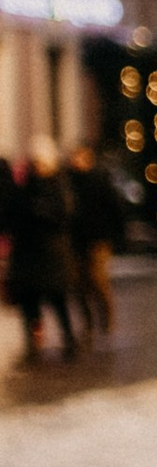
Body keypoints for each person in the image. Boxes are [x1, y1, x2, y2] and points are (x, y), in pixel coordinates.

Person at [6, 143, 78, 363]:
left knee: (58, 300)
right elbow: (13, 215)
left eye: (42, 162)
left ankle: (68, 338)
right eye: (35, 162)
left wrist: (39, 212)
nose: (38, 166)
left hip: (51, 255)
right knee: (30, 303)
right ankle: (33, 343)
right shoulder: (24, 187)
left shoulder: (59, 186)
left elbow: (63, 215)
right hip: (27, 256)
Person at [65, 145, 125, 343]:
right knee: (79, 284)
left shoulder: (100, 179)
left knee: (98, 279)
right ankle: (88, 323)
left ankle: (107, 319)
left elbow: (115, 209)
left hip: (99, 239)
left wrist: (117, 236)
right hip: (77, 240)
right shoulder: (68, 181)